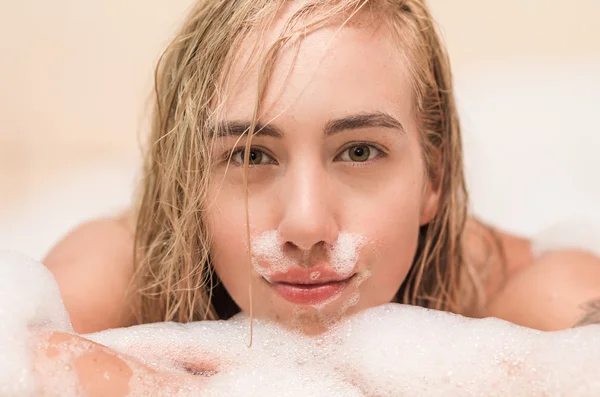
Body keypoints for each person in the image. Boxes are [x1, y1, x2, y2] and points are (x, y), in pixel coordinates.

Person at [42, 0, 600, 338]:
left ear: (433, 177)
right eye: (251, 155)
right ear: (187, 182)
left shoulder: (538, 309)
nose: (306, 226)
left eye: (359, 151)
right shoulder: (110, 287)